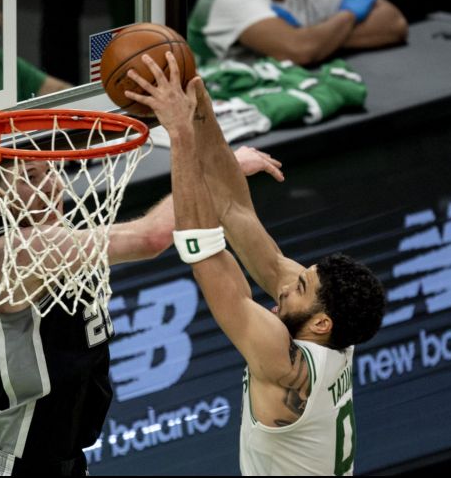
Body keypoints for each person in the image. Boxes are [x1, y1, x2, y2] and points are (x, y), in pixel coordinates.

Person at [0, 145, 285, 474]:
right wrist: (222, 169)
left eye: (50, 171)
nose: (50, 184)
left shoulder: (45, 239)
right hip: (11, 466)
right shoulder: (16, 253)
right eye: (30, 177)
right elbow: (149, 238)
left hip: (66, 461)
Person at [124, 52, 385, 474]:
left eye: (301, 288)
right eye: (301, 277)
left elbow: (204, 252)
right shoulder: (336, 329)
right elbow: (234, 209)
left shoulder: (283, 364)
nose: (286, 284)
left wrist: (180, 135)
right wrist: (198, 102)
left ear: (322, 323)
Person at [188, 0, 408, 66]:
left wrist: (315, 40)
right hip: (220, 106)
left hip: (296, 88)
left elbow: (394, 24)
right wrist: (348, 16)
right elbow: (299, 51)